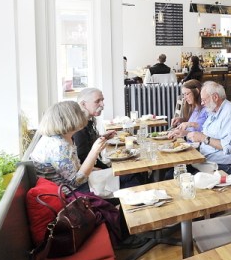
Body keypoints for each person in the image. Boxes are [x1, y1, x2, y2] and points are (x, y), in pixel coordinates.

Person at [31, 101, 145, 248]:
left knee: (131, 175)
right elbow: (75, 181)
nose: (82, 116)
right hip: (70, 194)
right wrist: (95, 151)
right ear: (70, 118)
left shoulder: (62, 139)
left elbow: (77, 169)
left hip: (72, 186)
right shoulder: (59, 146)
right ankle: (124, 236)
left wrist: (102, 165)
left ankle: (129, 229)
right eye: (78, 113)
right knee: (132, 183)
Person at [187, 81, 231, 174]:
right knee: (175, 169)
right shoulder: (213, 110)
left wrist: (203, 138)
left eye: (204, 100)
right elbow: (207, 133)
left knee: (178, 175)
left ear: (215, 97)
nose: (202, 103)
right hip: (208, 159)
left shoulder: (230, 114)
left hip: (225, 166)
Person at [74, 88, 115, 169]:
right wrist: (107, 168)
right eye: (97, 101)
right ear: (83, 104)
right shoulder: (79, 126)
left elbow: (86, 143)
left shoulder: (88, 120)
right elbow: (83, 157)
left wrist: (102, 137)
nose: (102, 104)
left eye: (102, 100)